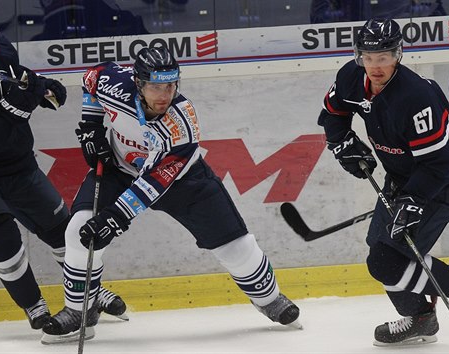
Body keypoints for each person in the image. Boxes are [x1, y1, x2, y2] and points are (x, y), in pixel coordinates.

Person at [40, 45, 301, 343]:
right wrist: (90, 126)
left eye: (170, 85)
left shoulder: (182, 122)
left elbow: (154, 182)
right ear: (138, 82)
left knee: (236, 247)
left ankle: (269, 299)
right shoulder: (114, 83)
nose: (164, 94)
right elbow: (91, 77)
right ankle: (79, 313)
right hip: (119, 169)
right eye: (155, 86)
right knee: (77, 232)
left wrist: (114, 217)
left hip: (182, 181)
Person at [317, 17, 449, 346]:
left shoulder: (416, 97)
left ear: (398, 55)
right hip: (405, 174)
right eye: (368, 57)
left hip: (442, 180)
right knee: (380, 250)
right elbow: (334, 113)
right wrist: (342, 142)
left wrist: (414, 200)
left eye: (384, 57)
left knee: (386, 260)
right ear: (358, 56)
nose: (375, 66)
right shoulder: (351, 77)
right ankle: (420, 318)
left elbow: (438, 165)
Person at [0, 0, 125, 330]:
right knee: (2, 236)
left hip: (18, 167)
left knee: (63, 232)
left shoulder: (4, 52)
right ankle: (32, 303)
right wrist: (19, 108)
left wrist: (41, 88)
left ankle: (89, 294)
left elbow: (20, 80)